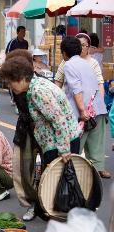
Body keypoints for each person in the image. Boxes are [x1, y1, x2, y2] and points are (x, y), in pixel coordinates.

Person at [0, 56, 81, 168]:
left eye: (10, 82)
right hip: (57, 141)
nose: (9, 87)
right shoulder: (35, 85)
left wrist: (64, 149)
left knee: (56, 182)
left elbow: (59, 119)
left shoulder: (38, 92)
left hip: (60, 144)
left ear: (21, 78)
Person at [59, 36, 109, 179]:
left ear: (64, 53)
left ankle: (73, 171)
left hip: (83, 112)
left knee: (76, 142)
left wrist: (82, 111)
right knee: (96, 143)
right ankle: (96, 172)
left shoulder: (68, 65)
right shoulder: (87, 63)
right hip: (98, 108)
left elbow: (77, 89)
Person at [5, 49, 40, 221]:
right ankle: (31, 204)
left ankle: (47, 204)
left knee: (48, 170)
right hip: (24, 128)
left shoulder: (38, 85)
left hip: (43, 131)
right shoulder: (15, 85)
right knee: (21, 168)